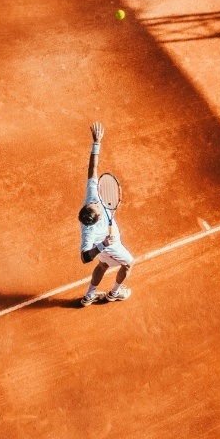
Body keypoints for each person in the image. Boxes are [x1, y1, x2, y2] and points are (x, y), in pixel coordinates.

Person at [78, 122, 134, 307]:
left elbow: (92, 170)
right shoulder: (89, 232)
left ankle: (88, 296)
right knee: (128, 264)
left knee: (103, 265)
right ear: (97, 218)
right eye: (97, 207)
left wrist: (96, 143)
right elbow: (85, 257)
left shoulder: (91, 198)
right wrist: (103, 245)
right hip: (110, 246)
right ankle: (114, 293)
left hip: (104, 247)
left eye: (94, 203)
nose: (97, 202)